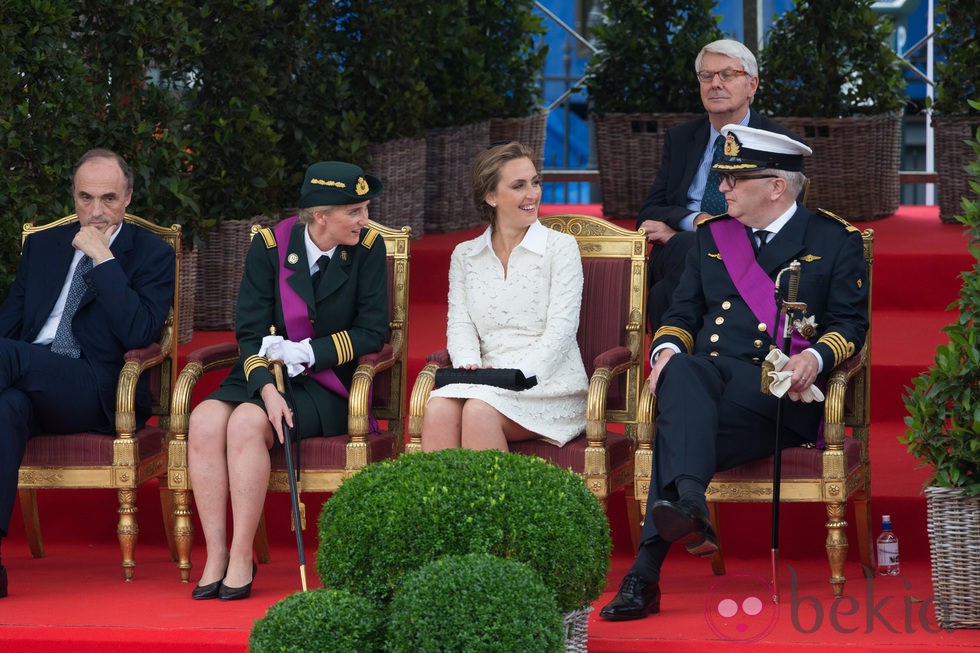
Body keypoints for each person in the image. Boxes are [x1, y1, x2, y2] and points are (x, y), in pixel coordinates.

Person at [600, 125, 869, 620]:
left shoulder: (833, 240)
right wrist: (662, 353)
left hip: (779, 396)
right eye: (722, 179)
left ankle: (652, 562)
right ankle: (680, 517)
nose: (721, 189)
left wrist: (815, 358)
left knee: (677, 426)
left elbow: (852, 325)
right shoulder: (712, 237)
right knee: (680, 373)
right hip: (707, 385)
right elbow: (681, 316)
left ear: (776, 186)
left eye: (733, 180)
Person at [187, 161, 388, 601]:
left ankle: (241, 557)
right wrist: (266, 389)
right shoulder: (270, 246)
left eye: (365, 208)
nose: (365, 219)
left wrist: (309, 352)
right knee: (203, 420)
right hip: (264, 371)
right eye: (354, 211)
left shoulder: (369, 248)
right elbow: (249, 329)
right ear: (320, 216)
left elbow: (374, 331)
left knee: (244, 424)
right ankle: (216, 554)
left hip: (326, 384)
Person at [0, 149, 176, 599]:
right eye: (85, 198)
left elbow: (140, 330)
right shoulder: (43, 246)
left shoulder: (152, 254)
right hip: (28, 377)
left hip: (96, 387)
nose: (96, 212)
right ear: (73, 196)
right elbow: (10, 326)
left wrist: (104, 260)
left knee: (12, 360)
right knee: (6, 407)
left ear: (129, 198)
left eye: (109, 199)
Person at [421, 141, 588, 452]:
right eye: (518, 185)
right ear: (490, 196)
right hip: (485, 380)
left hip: (548, 383)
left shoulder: (561, 248)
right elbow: (460, 324)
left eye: (535, 182)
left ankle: (496, 503)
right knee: (439, 408)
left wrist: (516, 377)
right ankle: (440, 503)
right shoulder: (465, 255)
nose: (533, 194)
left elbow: (561, 332)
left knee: (478, 410)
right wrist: (469, 366)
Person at [637, 39, 800, 332]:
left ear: (752, 85)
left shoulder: (778, 142)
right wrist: (698, 220)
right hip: (682, 253)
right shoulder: (681, 138)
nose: (715, 84)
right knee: (684, 253)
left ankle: (675, 351)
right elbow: (650, 211)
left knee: (668, 282)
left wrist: (692, 231)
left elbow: (786, 221)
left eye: (727, 75)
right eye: (706, 76)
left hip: (749, 254)